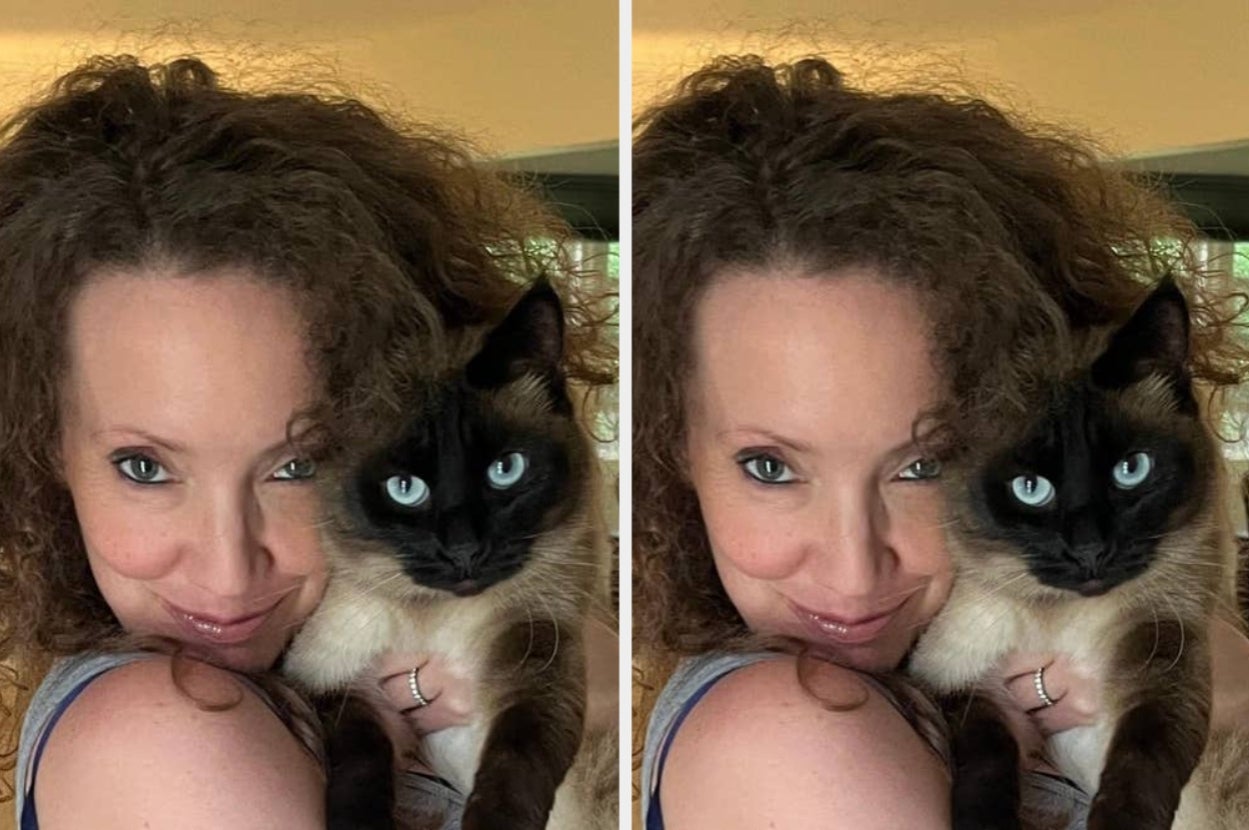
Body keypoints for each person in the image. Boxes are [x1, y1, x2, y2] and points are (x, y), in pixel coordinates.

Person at [632, 54, 1249, 829]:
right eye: (769, 467)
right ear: (671, 452)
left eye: (923, 465)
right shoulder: (797, 731)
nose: (854, 571)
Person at [0, 55, 616, 828]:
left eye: (296, 465)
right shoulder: (171, 731)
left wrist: (564, 670)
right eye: (144, 467)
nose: (228, 572)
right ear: (42, 449)